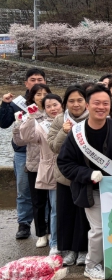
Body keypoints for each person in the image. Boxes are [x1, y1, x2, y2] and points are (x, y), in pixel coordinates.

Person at [57, 84, 112, 280]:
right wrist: (87, 174)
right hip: (91, 189)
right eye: (96, 103)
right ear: (87, 105)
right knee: (99, 229)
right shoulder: (77, 133)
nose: (101, 107)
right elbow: (64, 163)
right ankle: (91, 265)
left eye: (105, 103)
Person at [1, 67, 46, 239]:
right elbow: (4, 123)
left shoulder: (52, 102)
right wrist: (5, 105)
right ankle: (24, 224)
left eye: (40, 79)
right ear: (26, 83)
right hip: (22, 152)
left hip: (45, 152)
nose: (36, 83)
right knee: (24, 190)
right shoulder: (17, 103)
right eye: (32, 80)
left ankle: (46, 225)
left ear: (45, 82)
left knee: (47, 189)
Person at [47, 85, 90, 267]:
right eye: (71, 101)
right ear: (65, 103)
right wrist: (63, 132)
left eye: (80, 100)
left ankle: (83, 249)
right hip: (65, 175)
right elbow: (53, 147)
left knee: (84, 214)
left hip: (86, 175)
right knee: (65, 213)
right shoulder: (60, 120)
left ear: (86, 102)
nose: (76, 104)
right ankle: (68, 250)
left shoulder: (94, 118)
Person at [17, 90, 61, 254]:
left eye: (55, 105)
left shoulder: (71, 122)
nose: (52, 108)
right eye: (48, 106)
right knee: (48, 205)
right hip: (47, 169)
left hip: (69, 169)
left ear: (62, 105)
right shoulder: (41, 124)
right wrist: (30, 117)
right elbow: (26, 137)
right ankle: (50, 238)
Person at [12, 83, 51, 249]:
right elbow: (19, 141)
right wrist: (18, 124)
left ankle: (53, 231)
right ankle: (41, 233)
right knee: (38, 201)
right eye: (38, 94)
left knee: (54, 202)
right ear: (32, 97)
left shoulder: (56, 112)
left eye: (45, 94)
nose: (42, 97)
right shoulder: (28, 115)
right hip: (35, 164)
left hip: (53, 163)